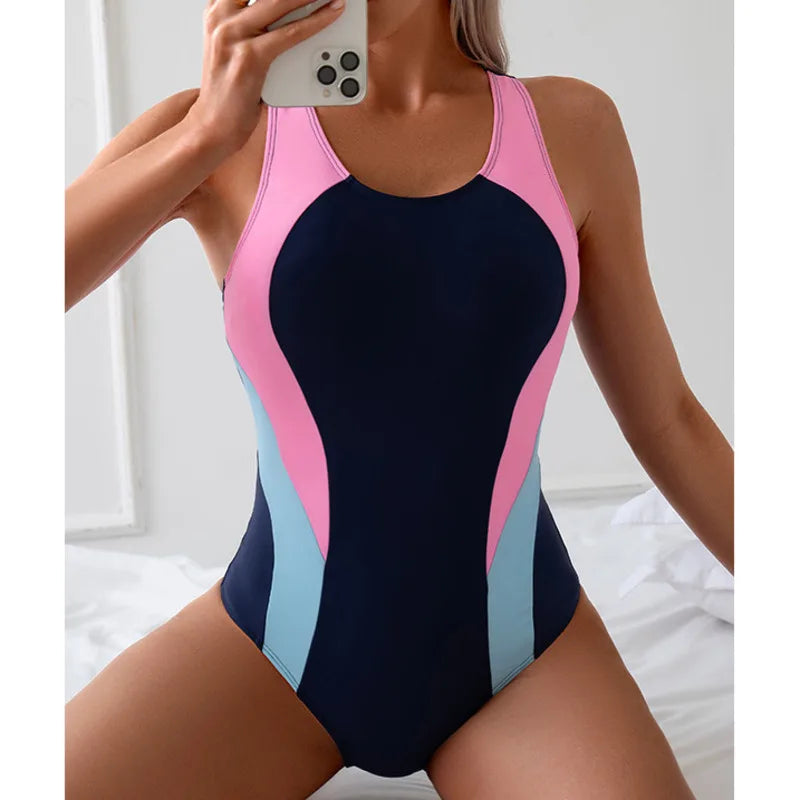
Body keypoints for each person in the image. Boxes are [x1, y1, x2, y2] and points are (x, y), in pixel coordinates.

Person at [65, 1, 733, 797]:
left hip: (520, 660)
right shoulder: (215, 130)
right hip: (271, 653)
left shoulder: (572, 128)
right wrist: (204, 136)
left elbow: (669, 420)